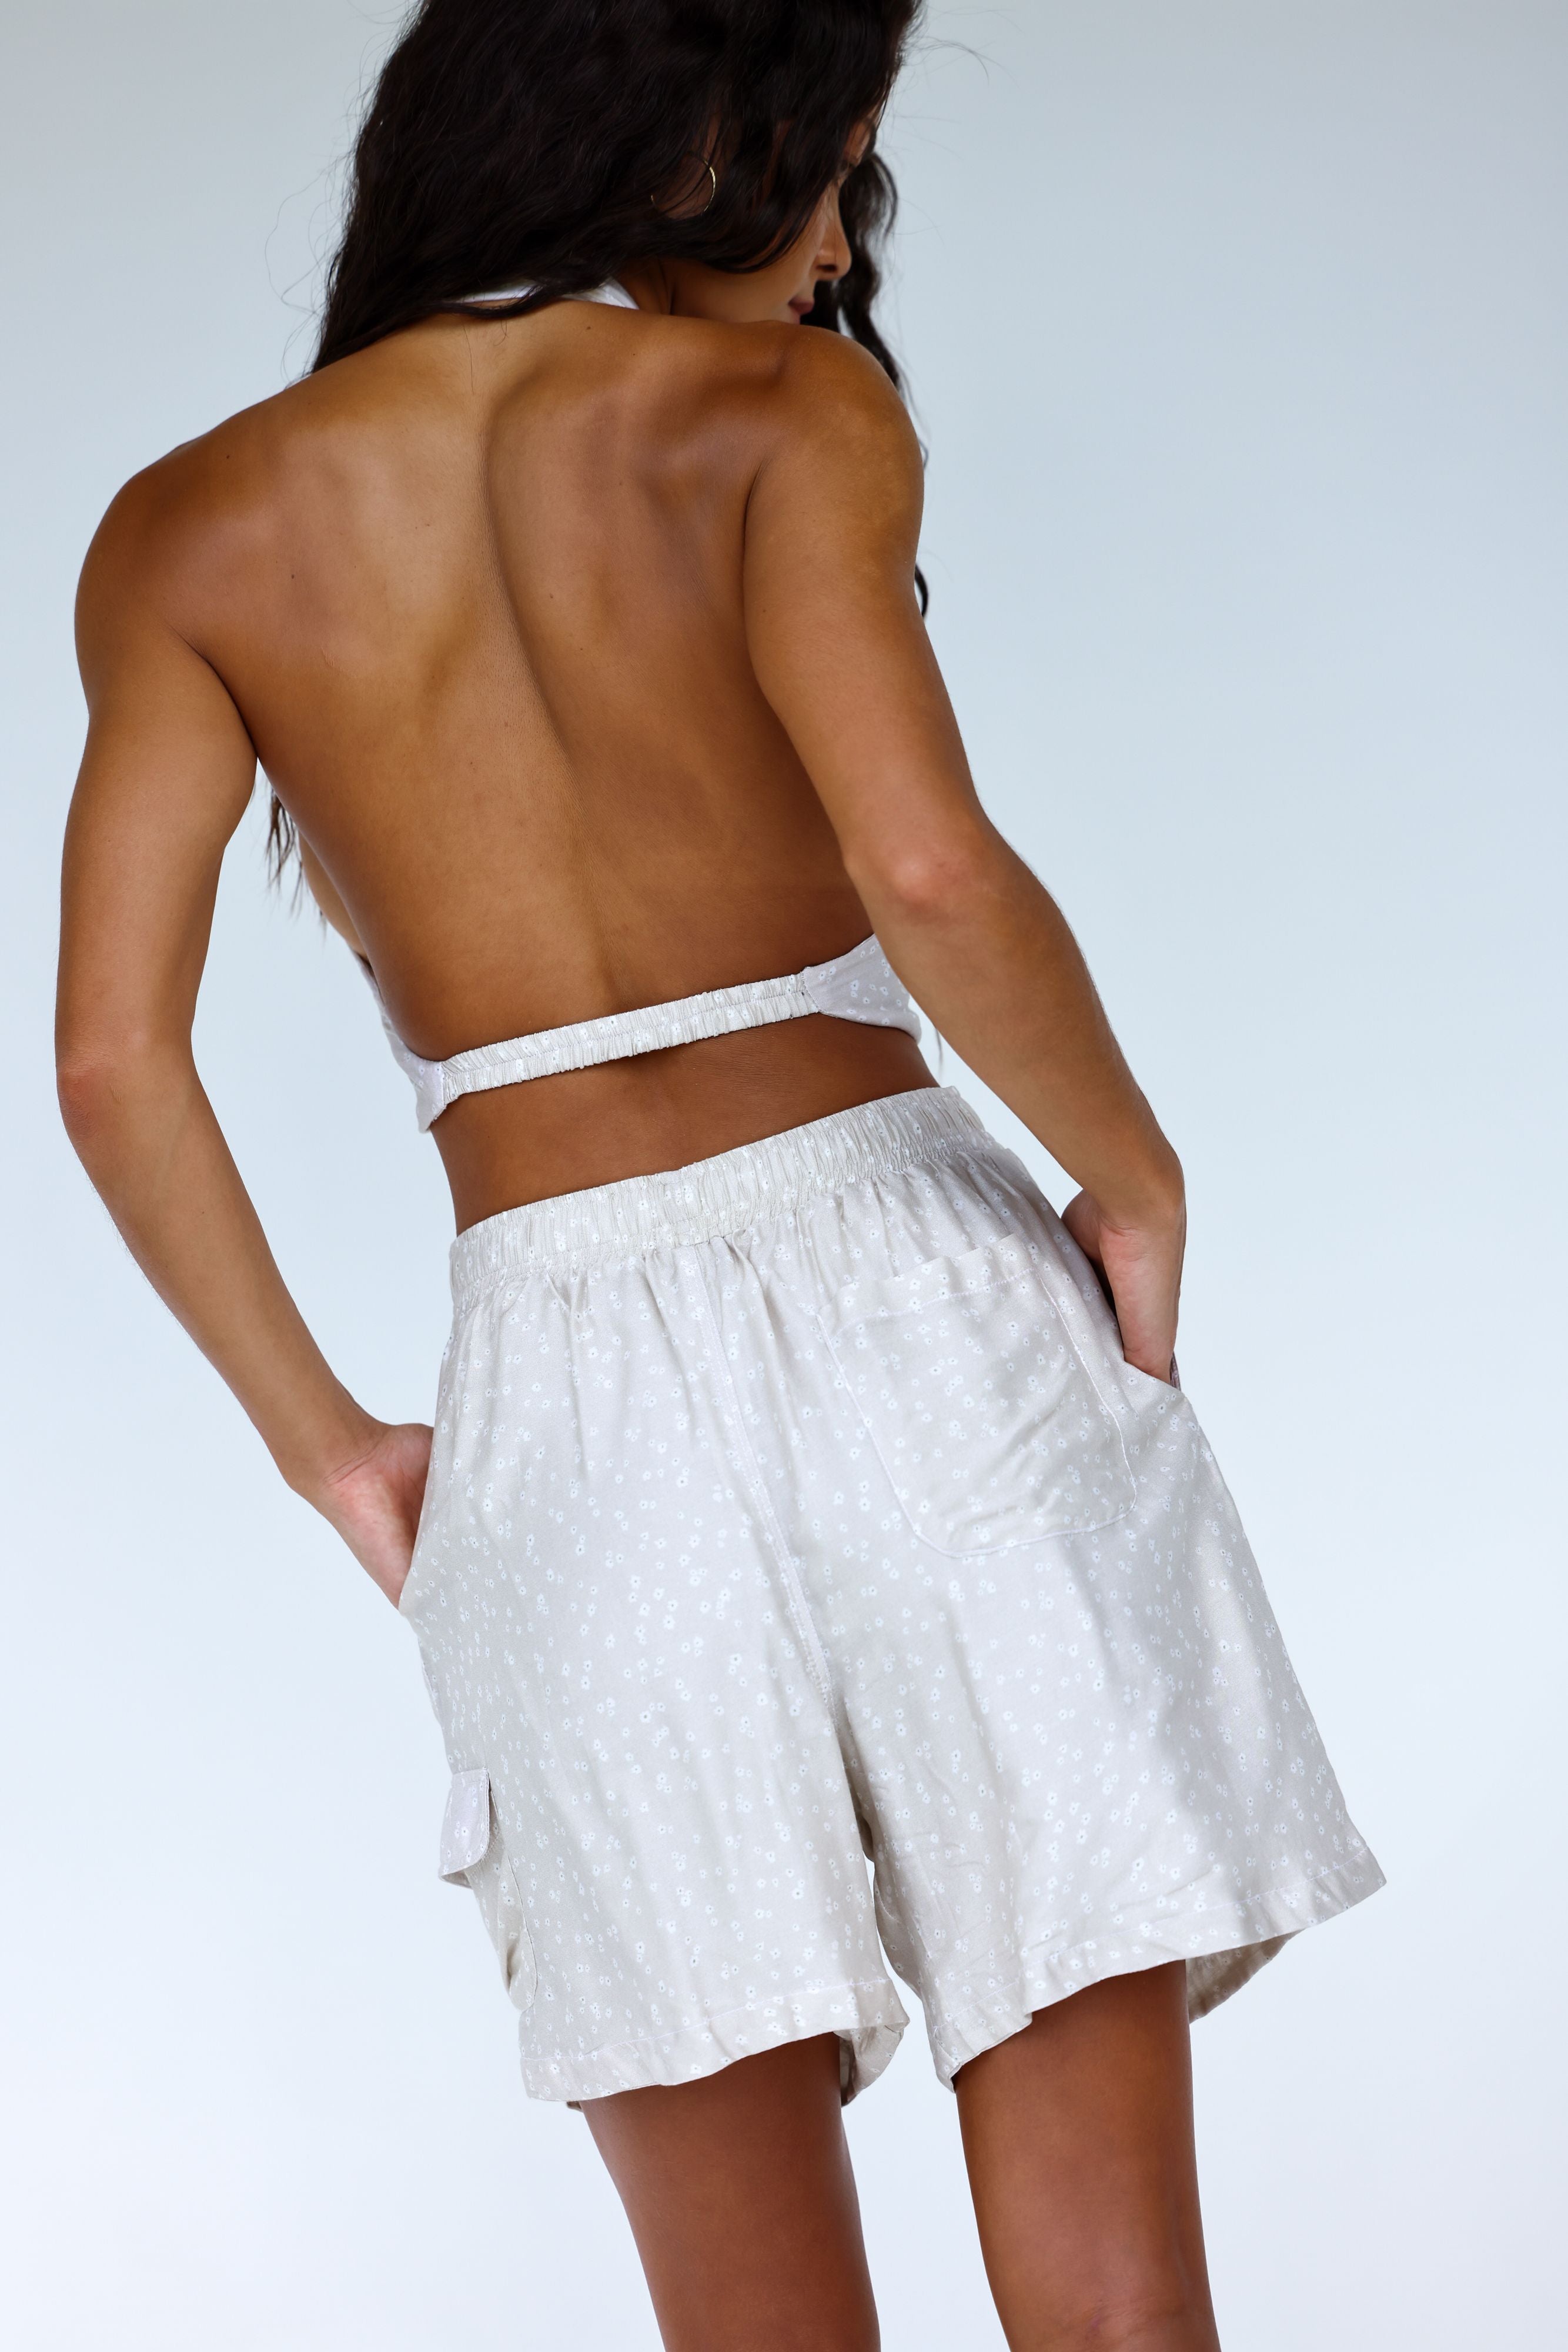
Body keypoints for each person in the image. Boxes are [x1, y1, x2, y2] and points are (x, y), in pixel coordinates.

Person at [55, 3, 1383, 2344]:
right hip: (933, 1322)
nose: (836, 252)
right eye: (838, 172)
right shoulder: (780, 419)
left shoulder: (190, 528)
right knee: (1118, 2304)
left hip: (567, 1410)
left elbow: (108, 1065)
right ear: (699, 139)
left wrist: (331, 1448)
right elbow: (930, 873)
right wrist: (1134, 1178)